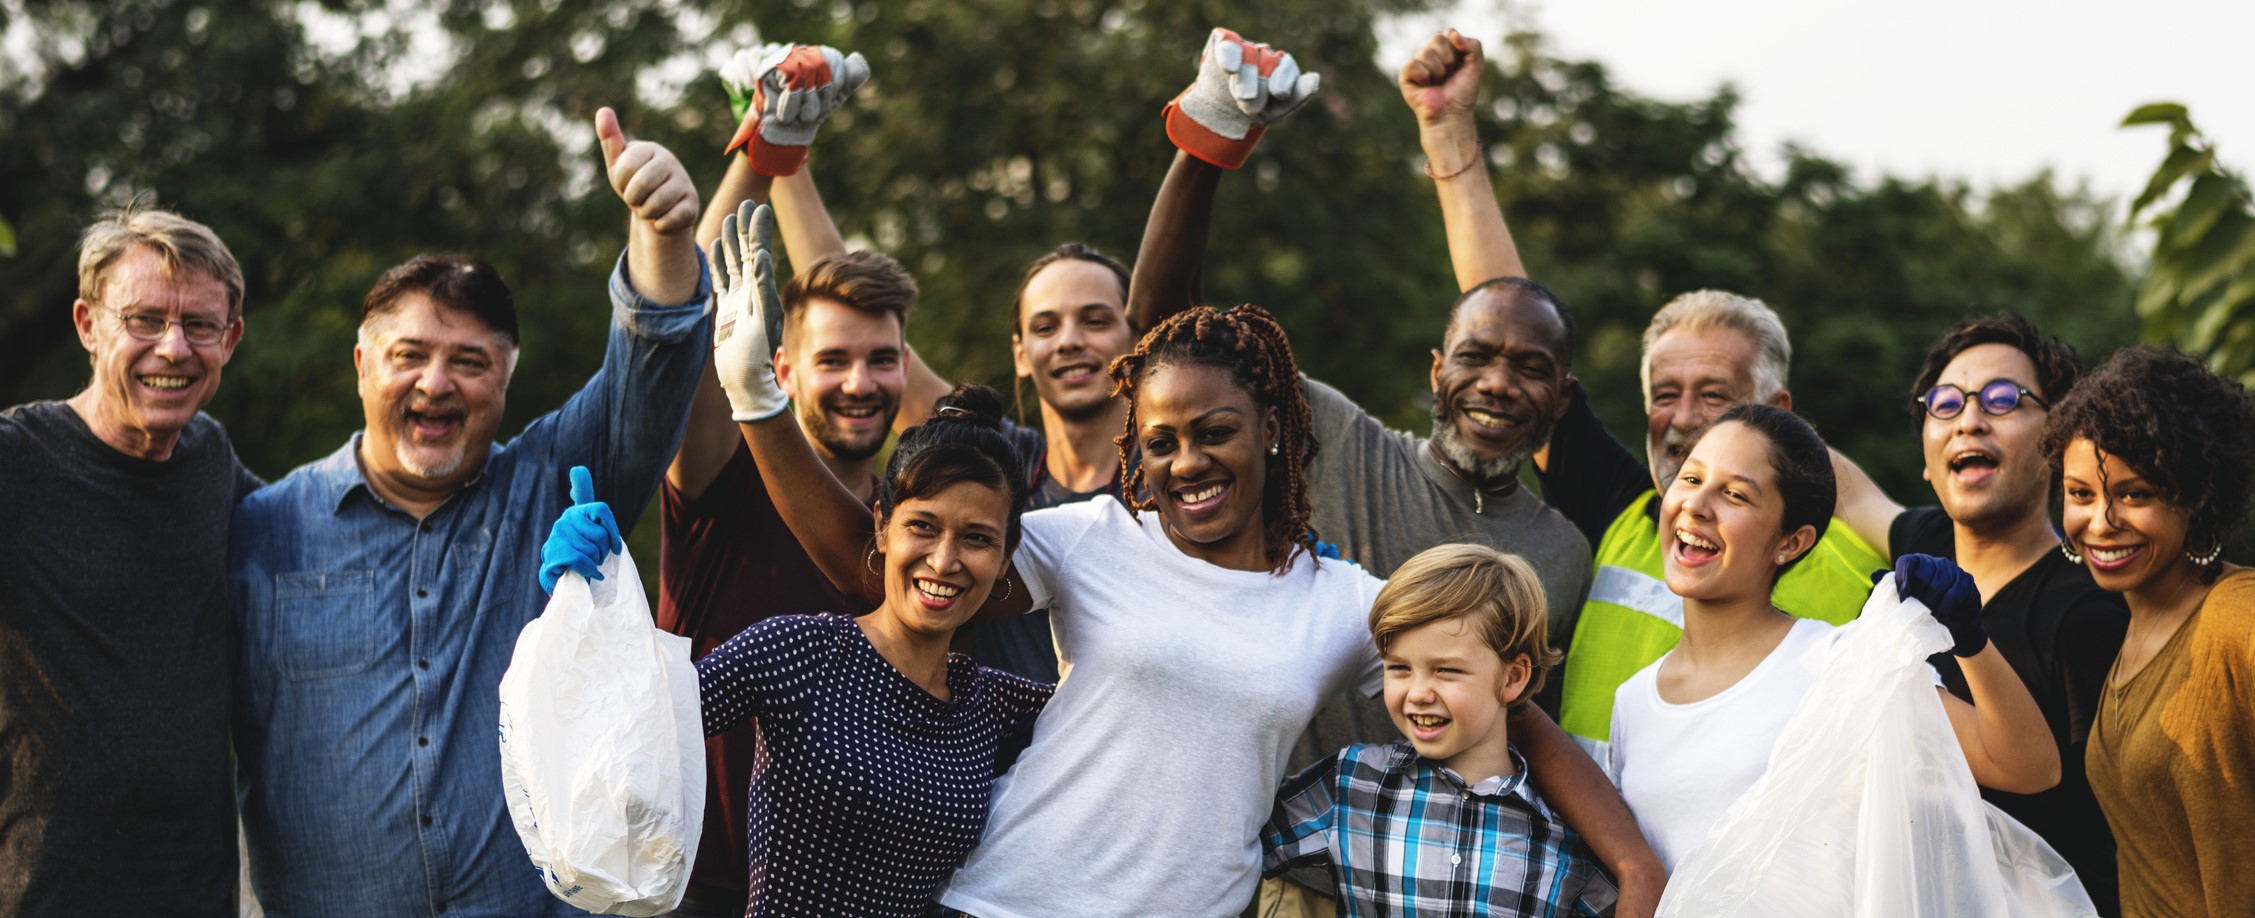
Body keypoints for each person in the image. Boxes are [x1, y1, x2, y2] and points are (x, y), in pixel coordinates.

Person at [706, 196, 1657, 916]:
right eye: (1158, 441)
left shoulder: (1340, 602)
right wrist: (756, 400)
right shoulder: (1092, 538)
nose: (1184, 462)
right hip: (1007, 899)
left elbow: (1508, 706)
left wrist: (1631, 865)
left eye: (1214, 433)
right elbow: (871, 570)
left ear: (1276, 430)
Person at [1122, 28, 1656, 915]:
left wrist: (1630, 862)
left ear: (1562, 400)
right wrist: (1209, 143)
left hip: (1437, 879)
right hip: (1277, 866)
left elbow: (1527, 720)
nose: (1497, 382)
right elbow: (1162, 336)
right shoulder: (1334, 436)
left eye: (1530, 368)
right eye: (1476, 356)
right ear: (1435, 370)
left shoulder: (1563, 554)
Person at [229, 109, 712, 917]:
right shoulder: (260, 528)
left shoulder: (556, 479)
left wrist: (661, 233)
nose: (435, 383)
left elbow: (654, 361)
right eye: (409, 355)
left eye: (469, 362)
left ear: (506, 381)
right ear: (361, 367)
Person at [540, 384, 1053, 918]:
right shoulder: (798, 652)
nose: (944, 561)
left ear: (1006, 555)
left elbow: (1125, 729)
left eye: (976, 538)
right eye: (922, 526)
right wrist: (589, 602)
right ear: (881, 525)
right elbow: (637, 724)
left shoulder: (995, 705)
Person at [1608, 403, 2060, 872]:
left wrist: (1971, 642)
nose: (1697, 506)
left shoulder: (1841, 666)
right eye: (1691, 478)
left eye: (1736, 495)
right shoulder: (1632, 702)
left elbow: (2027, 767)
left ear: (1791, 542)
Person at [1, 207, 257, 916]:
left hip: (197, 895)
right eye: (143, 319)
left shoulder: (211, 459)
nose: (173, 349)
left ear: (228, 339)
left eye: (199, 325)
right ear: (89, 325)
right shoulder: (16, 460)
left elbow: (327, 531)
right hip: (42, 896)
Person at [1827, 312, 2128, 911]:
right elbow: (1853, 492)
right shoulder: (1929, 543)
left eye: (2002, 399)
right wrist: (1738, 416)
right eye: (1944, 403)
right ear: (1925, 456)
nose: (1969, 419)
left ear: (2058, 443)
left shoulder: (2092, 611)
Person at [1531, 289, 1890, 761]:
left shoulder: (1866, 578)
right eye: (1665, 394)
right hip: (1578, 834)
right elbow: (1519, 332)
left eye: (1713, 395)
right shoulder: (1622, 509)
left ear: (1776, 411)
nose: (1683, 417)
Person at [1262, 543, 1618, 916]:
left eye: (1446, 670)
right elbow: (1231, 843)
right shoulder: (1351, 783)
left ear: (1512, 678)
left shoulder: (1562, 839)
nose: (1417, 693)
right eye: (1398, 667)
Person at [2041, 345, 2255, 916]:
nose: (2102, 523)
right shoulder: (2129, 637)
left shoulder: (2236, 617)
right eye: (2081, 494)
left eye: (2136, 494)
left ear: (2199, 496)